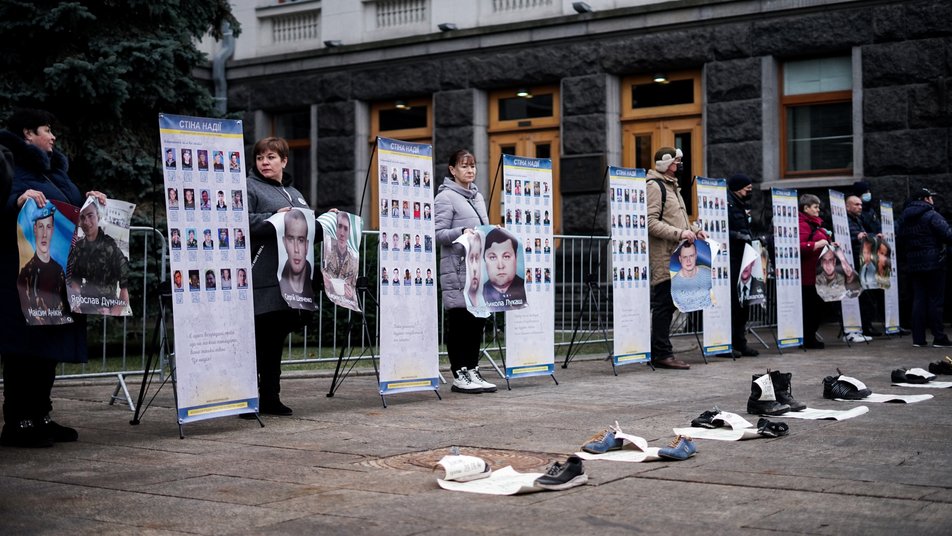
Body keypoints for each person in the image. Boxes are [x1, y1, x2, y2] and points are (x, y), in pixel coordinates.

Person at [1, 109, 100, 447]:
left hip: (57, 275)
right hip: (20, 276)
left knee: (48, 347)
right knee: (24, 349)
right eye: (47, 129)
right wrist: (16, 200)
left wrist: (91, 200)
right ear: (28, 133)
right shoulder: (9, 163)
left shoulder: (54, 169)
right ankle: (18, 420)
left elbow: (70, 208)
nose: (53, 136)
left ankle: (41, 415)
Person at [246, 137, 323, 415]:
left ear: (284, 161)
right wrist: (273, 218)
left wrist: (326, 221)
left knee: (274, 340)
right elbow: (240, 221)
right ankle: (246, 398)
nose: (264, 162)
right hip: (260, 278)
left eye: (271, 157)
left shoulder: (295, 192)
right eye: (260, 158)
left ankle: (270, 397)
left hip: (290, 281)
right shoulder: (249, 187)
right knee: (256, 340)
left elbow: (305, 231)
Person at [434, 148, 496, 394]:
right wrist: (461, 233)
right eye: (463, 166)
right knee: (460, 323)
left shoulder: (477, 197)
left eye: (472, 165)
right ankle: (459, 373)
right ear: (452, 170)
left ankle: (472, 369)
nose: (470, 170)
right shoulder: (446, 198)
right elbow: (436, 233)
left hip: (477, 271)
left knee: (476, 323)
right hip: (457, 271)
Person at [646, 146, 705, 369]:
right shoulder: (655, 187)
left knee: (669, 304)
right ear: (665, 164)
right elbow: (650, 222)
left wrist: (693, 230)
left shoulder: (672, 187)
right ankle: (661, 353)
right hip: (664, 255)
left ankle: (661, 351)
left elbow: (675, 219)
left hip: (677, 254)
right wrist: (680, 233)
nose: (679, 165)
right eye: (676, 162)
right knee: (664, 304)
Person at [897, 188, 952, 348]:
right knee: (935, 301)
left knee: (919, 300)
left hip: (914, 263)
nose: (932, 200)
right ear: (925, 199)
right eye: (930, 197)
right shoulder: (931, 215)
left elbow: (900, 239)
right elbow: (948, 235)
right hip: (934, 262)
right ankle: (939, 337)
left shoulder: (904, 217)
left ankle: (918, 339)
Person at [66, 200, 131, 315]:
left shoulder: (110, 247)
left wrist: (113, 311)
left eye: (90, 216)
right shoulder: (79, 248)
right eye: (82, 218)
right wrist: (76, 305)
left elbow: (124, 289)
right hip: (85, 307)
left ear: (98, 217)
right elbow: (76, 281)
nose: (86, 222)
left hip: (107, 309)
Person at [725, 173, 759, 357]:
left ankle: (740, 342)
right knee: (733, 303)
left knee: (742, 302)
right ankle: (728, 343)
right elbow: (720, 229)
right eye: (747, 189)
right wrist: (738, 236)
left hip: (744, 258)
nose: (750, 192)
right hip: (732, 259)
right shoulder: (727, 204)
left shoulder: (740, 204)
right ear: (738, 188)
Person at [17, 206, 67, 325]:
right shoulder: (25, 274)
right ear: (35, 229)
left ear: (53, 230)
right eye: (40, 227)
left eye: (48, 227)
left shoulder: (59, 271)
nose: (44, 234)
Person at [799, 194, 834, 349]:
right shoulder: (802, 224)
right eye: (815, 207)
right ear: (806, 208)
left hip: (819, 274)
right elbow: (799, 246)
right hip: (808, 274)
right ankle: (808, 338)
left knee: (817, 308)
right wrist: (817, 244)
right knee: (810, 308)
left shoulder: (815, 224)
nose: (818, 210)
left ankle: (810, 336)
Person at [846, 194, 882, 337]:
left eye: (860, 204)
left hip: (862, 260)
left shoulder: (858, 220)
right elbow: (853, 235)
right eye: (856, 204)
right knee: (860, 296)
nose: (860, 207)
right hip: (854, 261)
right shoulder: (846, 220)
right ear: (847, 206)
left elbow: (863, 235)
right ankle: (861, 327)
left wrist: (873, 237)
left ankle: (866, 326)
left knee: (867, 295)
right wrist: (859, 237)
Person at [482, 228, 526, 307]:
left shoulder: (527, 288)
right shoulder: (478, 294)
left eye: (506, 256)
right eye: (492, 257)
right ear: (484, 260)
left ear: (516, 258)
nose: (500, 266)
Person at [278, 209, 315, 302]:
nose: (296, 249)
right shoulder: (277, 287)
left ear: (307, 245)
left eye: (301, 240)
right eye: (290, 239)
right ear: (284, 242)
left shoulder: (316, 282)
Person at [321, 210, 358, 300]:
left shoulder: (354, 261)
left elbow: (353, 287)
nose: (342, 233)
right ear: (335, 229)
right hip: (327, 304)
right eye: (339, 227)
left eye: (346, 229)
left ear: (349, 233)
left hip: (346, 307)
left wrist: (351, 294)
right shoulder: (327, 256)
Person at [670, 241, 713, 312]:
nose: (688, 261)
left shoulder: (708, 275)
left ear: (696, 256)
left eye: (691, 256)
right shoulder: (673, 284)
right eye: (685, 257)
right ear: (680, 259)